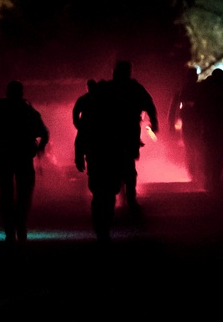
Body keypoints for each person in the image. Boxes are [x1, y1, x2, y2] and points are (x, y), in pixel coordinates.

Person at [74, 60, 158, 240]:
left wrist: (79, 151)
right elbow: (84, 124)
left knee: (120, 175)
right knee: (117, 176)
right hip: (112, 145)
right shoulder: (107, 95)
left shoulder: (114, 93)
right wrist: (80, 151)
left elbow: (83, 125)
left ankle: (121, 203)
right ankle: (117, 206)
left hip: (119, 142)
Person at [0, 80, 49, 244]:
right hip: (22, 159)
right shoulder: (27, 111)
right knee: (22, 194)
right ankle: (19, 226)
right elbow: (44, 133)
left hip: (6, 158)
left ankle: (11, 229)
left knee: (7, 195)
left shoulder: (0, 111)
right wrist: (40, 148)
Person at [194, 68, 223, 191]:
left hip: (210, 124)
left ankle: (209, 178)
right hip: (222, 124)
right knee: (219, 153)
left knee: (209, 152)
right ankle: (214, 178)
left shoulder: (206, 89)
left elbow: (198, 108)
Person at [168, 65, 201, 183]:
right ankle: (193, 172)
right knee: (191, 148)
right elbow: (173, 108)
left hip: (197, 123)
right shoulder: (186, 90)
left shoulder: (196, 90)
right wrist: (171, 123)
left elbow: (172, 108)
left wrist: (171, 123)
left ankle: (195, 172)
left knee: (194, 148)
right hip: (192, 123)